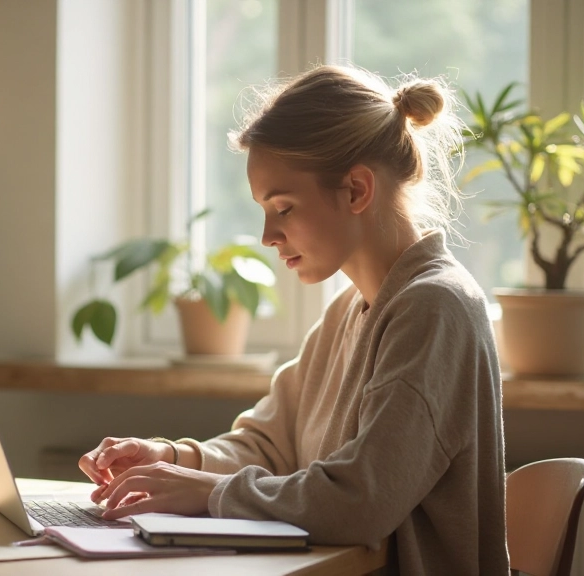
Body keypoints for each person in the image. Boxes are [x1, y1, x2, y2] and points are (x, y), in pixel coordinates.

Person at [78, 64, 508, 575]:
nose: (267, 236)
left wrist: (209, 493)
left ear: (356, 191)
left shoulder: (436, 309)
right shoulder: (350, 309)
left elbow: (360, 501)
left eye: (282, 208)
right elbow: (269, 444)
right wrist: (172, 459)